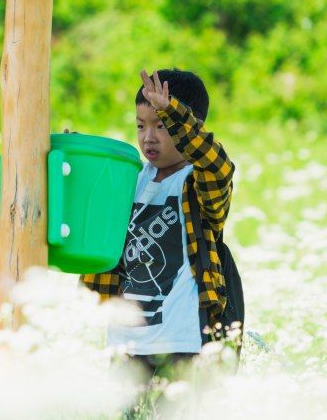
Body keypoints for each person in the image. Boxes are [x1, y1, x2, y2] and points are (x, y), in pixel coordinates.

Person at [79, 68, 235, 419]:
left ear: (187, 126)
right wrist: (80, 164)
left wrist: (174, 113)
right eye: (140, 125)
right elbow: (92, 224)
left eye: (161, 126)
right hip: (125, 341)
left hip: (180, 342)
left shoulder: (197, 183)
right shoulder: (130, 179)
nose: (148, 137)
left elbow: (218, 164)